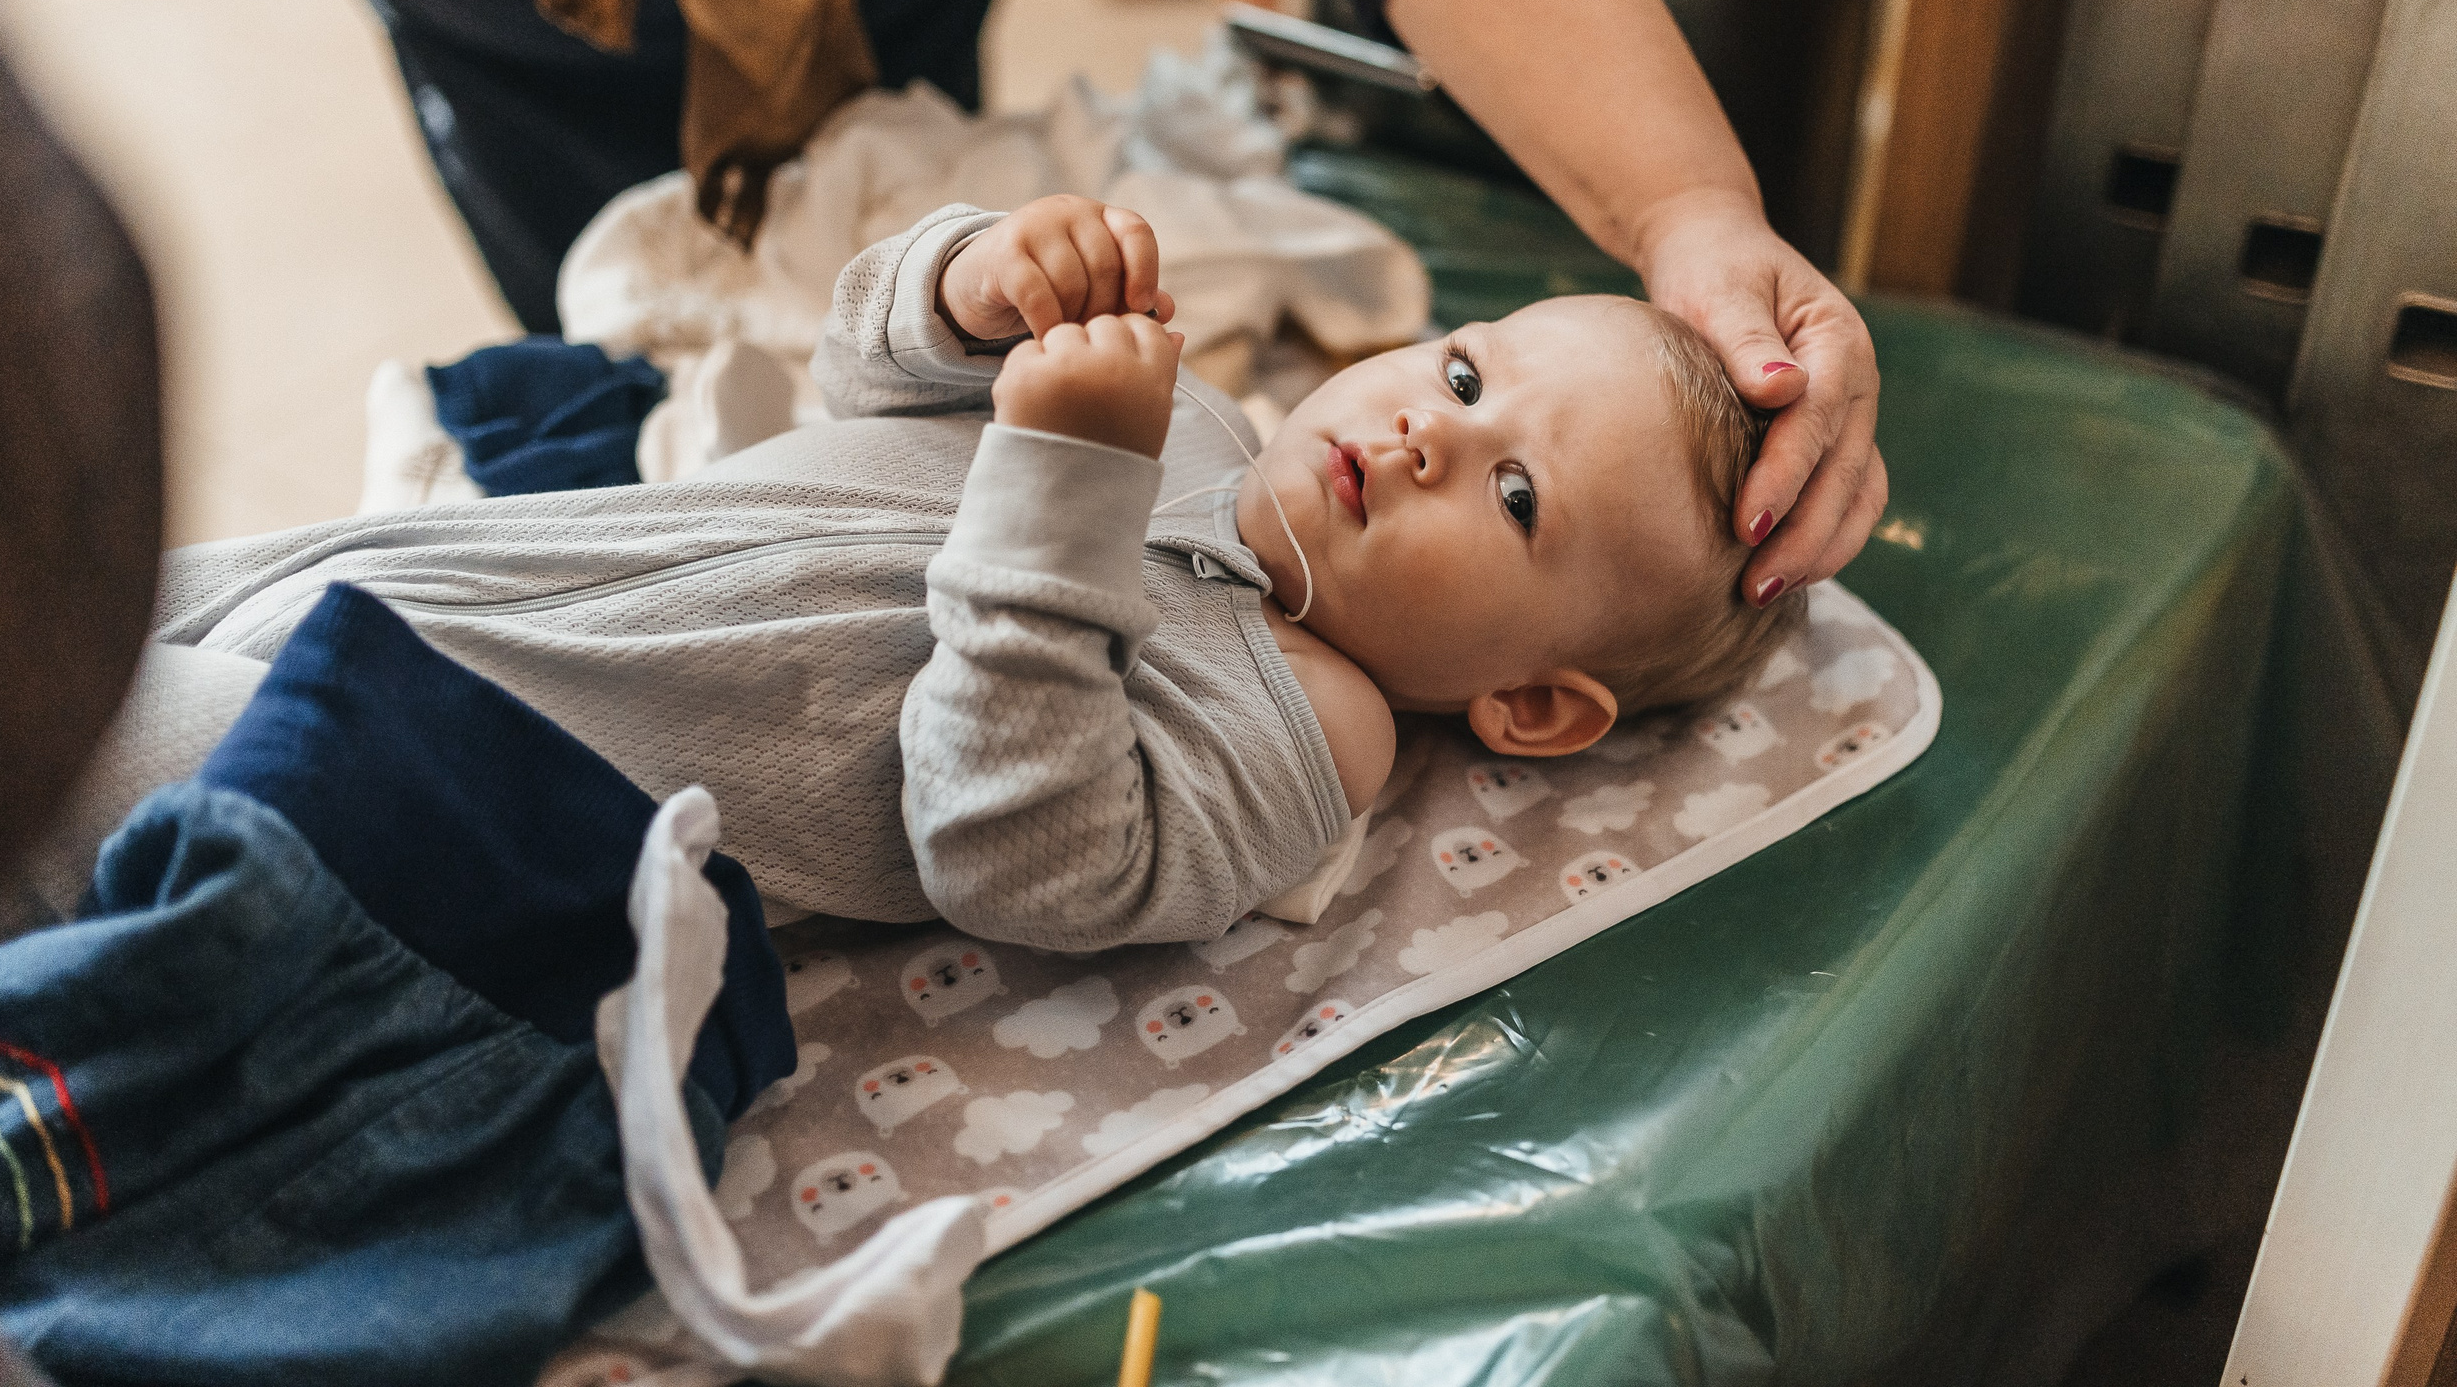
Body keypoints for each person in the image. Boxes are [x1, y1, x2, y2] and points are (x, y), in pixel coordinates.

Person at [18, 0, 1885, 608]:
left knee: (894, 308)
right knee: (605, 383)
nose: (1419, 433)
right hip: (493, 17)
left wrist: (1688, 208)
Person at [88, 192, 1800, 954]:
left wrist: (1061, 477)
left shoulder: (1317, 721)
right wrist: (970, 280)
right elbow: (863, 371)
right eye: (1468, 371)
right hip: (468, 564)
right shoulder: (1187, 404)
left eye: (1514, 497)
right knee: (47, 629)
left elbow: (1018, 850)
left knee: (50, 795)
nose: (1432, 432)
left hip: (485, 769)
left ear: (1530, 701)